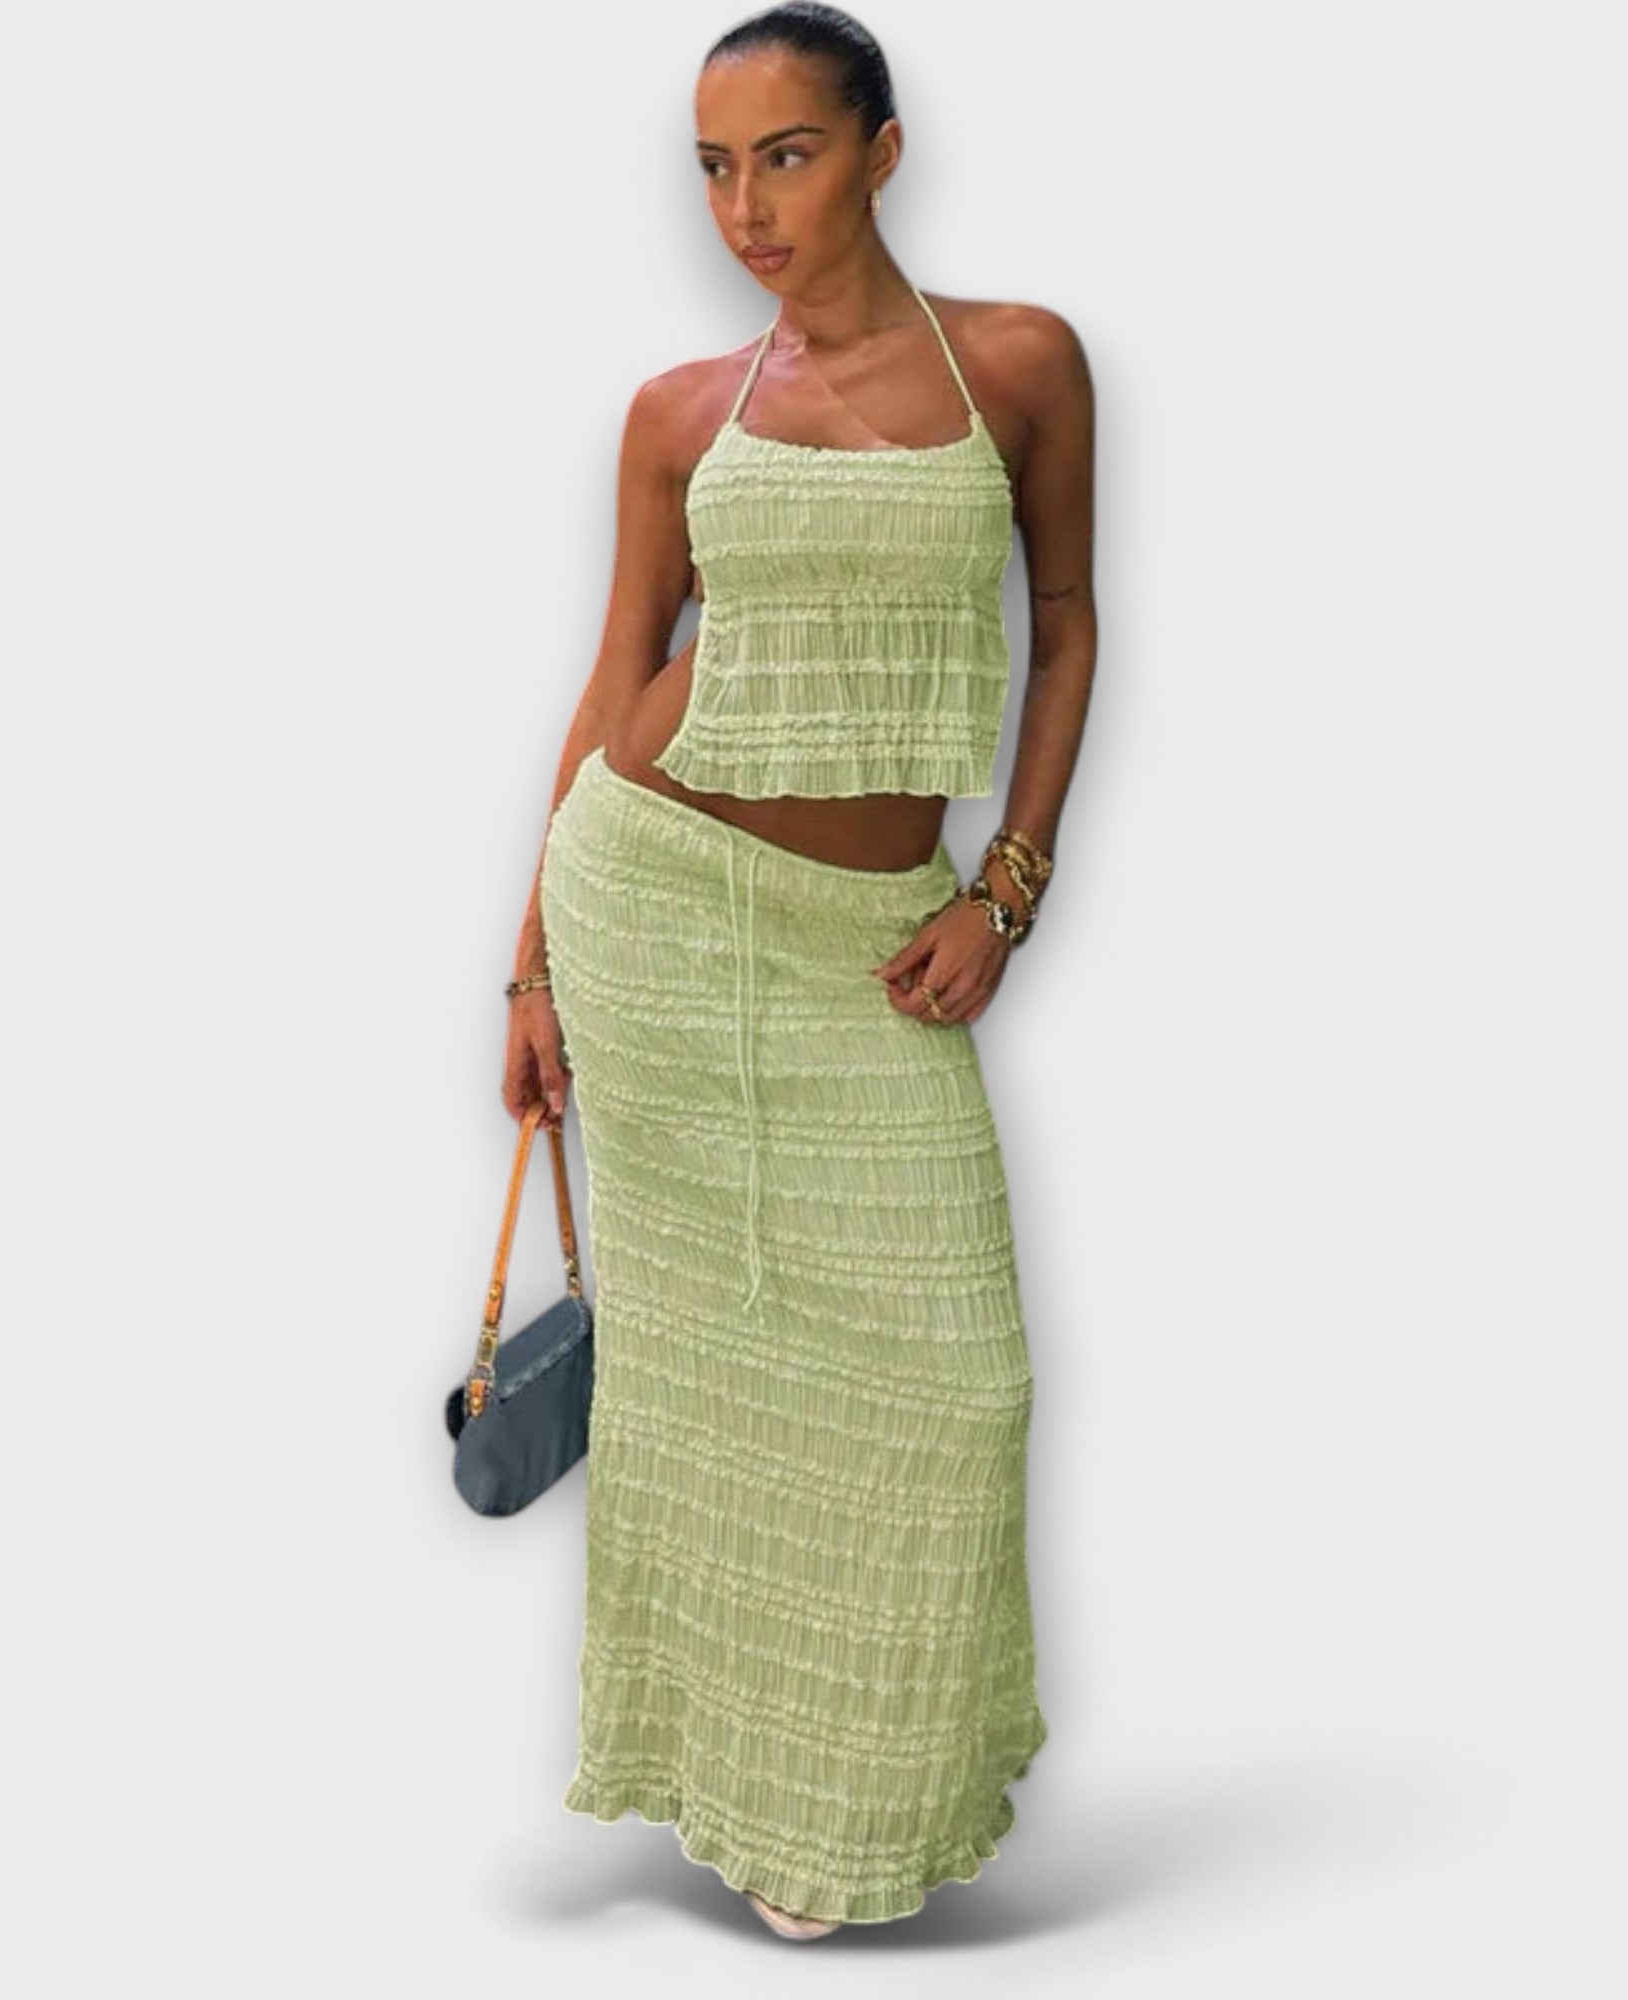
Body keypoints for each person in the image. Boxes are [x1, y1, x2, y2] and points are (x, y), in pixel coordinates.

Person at [503, 1, 1095, 1938]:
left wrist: (1005, 889)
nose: (746, 207)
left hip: (867, 940)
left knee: (958, 1388)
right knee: (703, 1383)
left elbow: (1069, 618)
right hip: (656, 910)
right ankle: (747, 1791)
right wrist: (529, 969)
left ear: (881, 153)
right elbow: (614, 680)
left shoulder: (1020, 364)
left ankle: (870, 1779)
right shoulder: (681, 412)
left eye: (787, 154)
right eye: (713, 167)